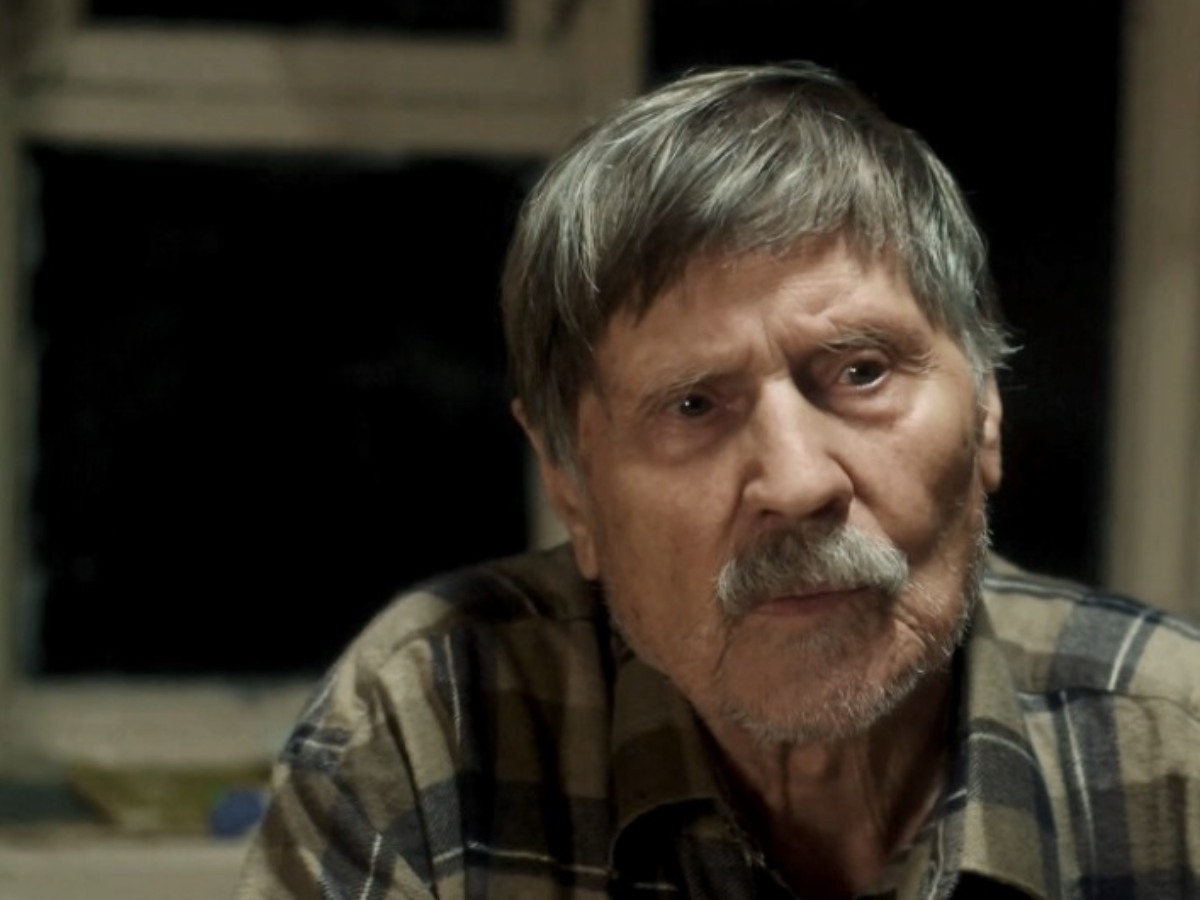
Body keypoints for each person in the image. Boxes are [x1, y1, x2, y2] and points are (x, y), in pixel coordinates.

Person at [237, 63, 1200, 899]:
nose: (796, 481)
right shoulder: (432, 725)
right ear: (569, 486)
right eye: (692, 405)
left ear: (986, 410)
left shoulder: (1179, 754)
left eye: (861, 372)